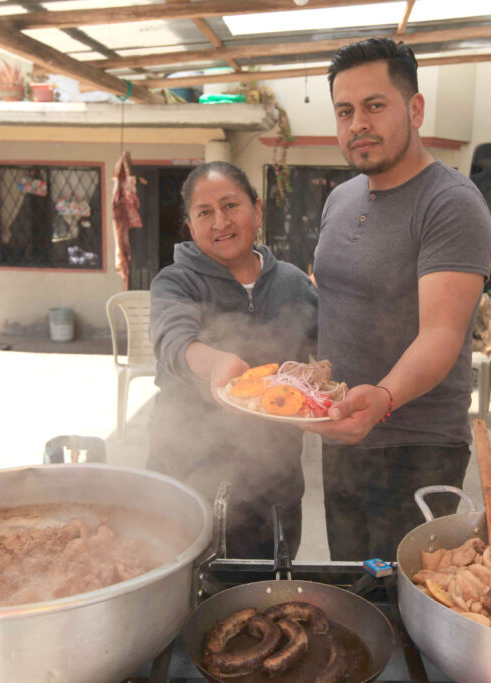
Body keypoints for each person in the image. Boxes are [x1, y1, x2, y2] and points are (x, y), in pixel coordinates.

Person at [305, 38, 491, 561]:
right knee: (352, 582)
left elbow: (441, 334)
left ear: (415, 109)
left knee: (404, 594)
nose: (358, 124)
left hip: (416, 445)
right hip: (341, 434)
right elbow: (335, 299)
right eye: (345, 111)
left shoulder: (450, 203)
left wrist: (384, 398)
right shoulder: (340, 199)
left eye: (374, 105)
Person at [146, 161, 317, 560]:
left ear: (257, 211)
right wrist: (214, 364)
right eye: (204, 212)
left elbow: (328, 355)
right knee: (190, 584)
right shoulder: (175, 281)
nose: (220, 222)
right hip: (189, 474)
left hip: (276, 481)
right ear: (190, 226)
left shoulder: (294, 284)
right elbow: (173, 340)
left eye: (230, 205)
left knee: (271, 586)